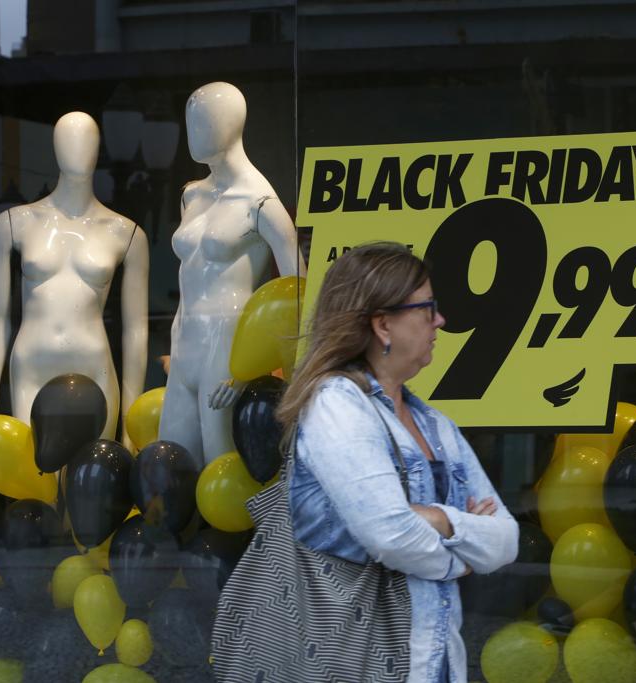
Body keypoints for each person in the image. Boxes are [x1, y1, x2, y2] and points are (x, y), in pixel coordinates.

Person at [274, 242, 518, 683]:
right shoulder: (337, 404)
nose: (440, 321)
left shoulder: (435, 424)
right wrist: (460, 557)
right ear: (383, 325)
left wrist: (439, 519)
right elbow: (390, 534)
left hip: (437, 661)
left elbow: (506, 540)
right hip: (359, 663)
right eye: (428, 309)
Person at [158, 82, 304, 467]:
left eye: (203, 121)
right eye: (190, 121)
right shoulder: (192, 195)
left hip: (228, 346)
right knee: (172, 463)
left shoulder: (260, 203)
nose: (194, 131)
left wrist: (254, 369)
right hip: (185, 342)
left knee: (220, 464)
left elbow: (297, 294)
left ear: (233, 124)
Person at [0, 111, 148, 445]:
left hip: (94, 364)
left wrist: (131, 426)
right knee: (34, 480)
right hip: (31, 364)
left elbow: (136, 330)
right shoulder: (14, 224)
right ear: (55, 148)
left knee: (93, 483)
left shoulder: (126, 233)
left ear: (99, 149)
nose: (78, 149)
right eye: (68, 139)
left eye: (87, 141)